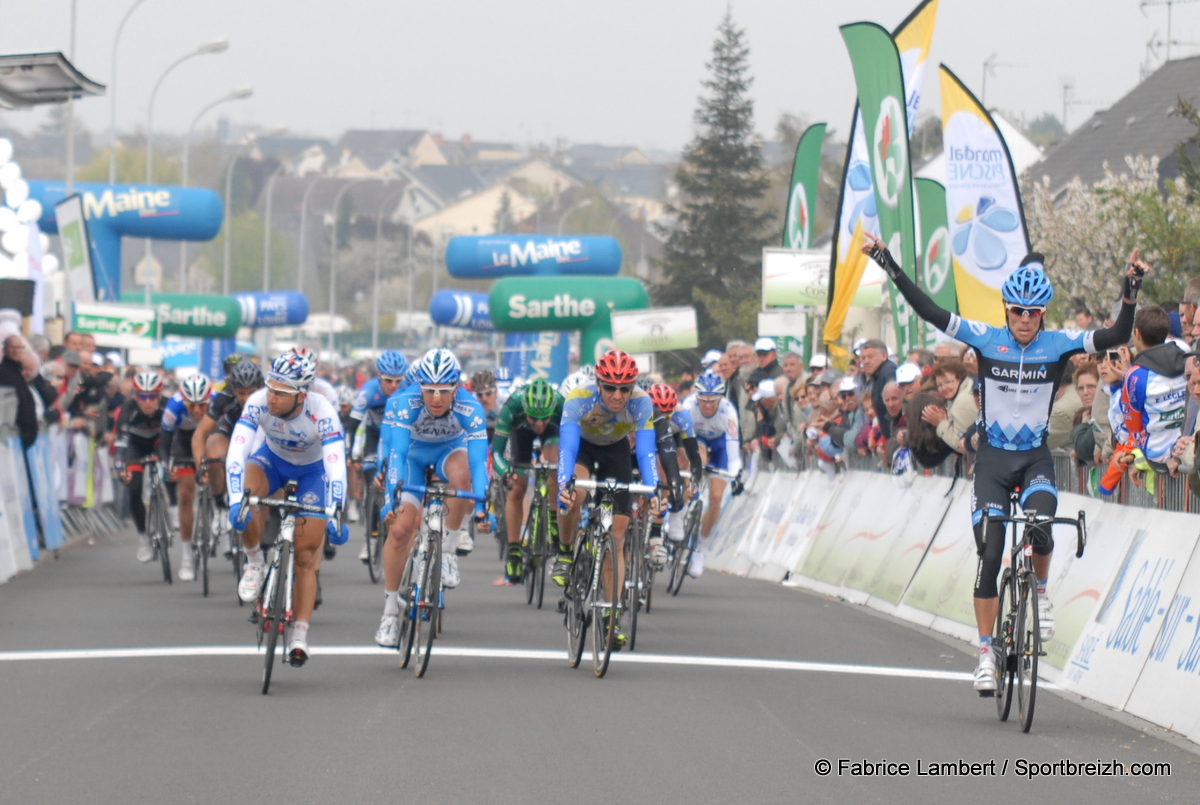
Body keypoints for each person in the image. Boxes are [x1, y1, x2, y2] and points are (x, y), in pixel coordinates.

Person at [862, 232, 1139, 695]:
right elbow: (929, 310)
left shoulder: (1057, 344)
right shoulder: (986, 340)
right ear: (1006, 310)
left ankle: (1042, 595)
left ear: (1042, 313)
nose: (1025, 320)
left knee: (1043, 524)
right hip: (991, 461)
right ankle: (986, 652)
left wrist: (1129, 293)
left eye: (1033, 313)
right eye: (1017, 311)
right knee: (990, 555)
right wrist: (887, 262)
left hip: (1034, 459)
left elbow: (1116, 335)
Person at [227, 351, 347, 667]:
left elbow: (336, 464)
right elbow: (237, 450)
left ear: (302, 395)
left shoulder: (322, 412)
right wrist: (235, 499)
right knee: (247, 502)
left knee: (307, 555)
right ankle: (255, 562)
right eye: (270, 388)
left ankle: (300, 635)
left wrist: (336, 509)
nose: (272, 398)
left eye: (281, 393)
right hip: (272, 461)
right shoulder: (257, 401)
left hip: (313, 473)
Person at [373, 349, 491, 648]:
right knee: (400, 532)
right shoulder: (403, 403)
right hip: (412, 456)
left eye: (443, 391)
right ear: (419, 387)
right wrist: (391, 498)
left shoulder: (470, 407)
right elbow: (396, 454)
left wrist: (482, 505)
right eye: (429, 391)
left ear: (456, 388)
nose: (436, 398)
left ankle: (449, 549)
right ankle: (389, 611)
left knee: (462, 474)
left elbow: (478, 463)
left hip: (449, 453)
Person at [556, 350, 662, 647]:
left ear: (633, 387)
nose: (617, 395)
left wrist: (652, 489)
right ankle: (565, 552)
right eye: (610, 387)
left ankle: (610, 616)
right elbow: (566, 448)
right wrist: (564, 485)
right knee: (574, 495)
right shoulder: (579, 397)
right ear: (598, 384)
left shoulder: (641, 402)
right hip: (583, 449)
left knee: (616, 537)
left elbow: (645, 451)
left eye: (624, 388)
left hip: (616, 452)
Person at [490, 378, 563, 586]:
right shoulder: (512, 407)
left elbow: (574, 444)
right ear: (525, 411)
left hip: (553, 434)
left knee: (554, 465)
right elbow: (496, 451)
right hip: (521, 433)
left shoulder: (560, 404)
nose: (539, 424)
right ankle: (513, 553)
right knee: (516, 489)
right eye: (534, 418)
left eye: (543, 419)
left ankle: (552, 519)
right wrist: (506, 473)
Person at [680, 371, 742, 578]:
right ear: (696, 397)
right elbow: (681, 442)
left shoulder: (728, 412)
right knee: (699, 460)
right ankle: (680, 511)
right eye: (703, 400)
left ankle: (701, 548)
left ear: (721, 398)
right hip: (696, 441)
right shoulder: (688, 407)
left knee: (716, 497)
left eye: (712, 401)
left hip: (721, 445)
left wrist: (736, 472)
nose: (707, 405)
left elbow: (733, 450)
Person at [348, 351, 408, 555]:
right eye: (388, 380)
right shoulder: (368, 391)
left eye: (398, 381)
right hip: (374, 438)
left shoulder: (407, 391)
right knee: (371, 476)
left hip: (398, 438)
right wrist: (351, 453)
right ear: (379, 376)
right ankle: (372, 537)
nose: (393, 385)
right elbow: (352, 425)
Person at [1122, 305, 1188, 472]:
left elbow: (1133, 425)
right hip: (1185, 446)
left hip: (1157, 453)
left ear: (1137, 333)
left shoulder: (1135, 375)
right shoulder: (1185, 353)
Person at [161, 374, 213, 582]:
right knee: (185, 493)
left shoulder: (219, 403)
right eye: (191, 405)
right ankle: (187, 555)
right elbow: (164, 446)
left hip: (211, 439)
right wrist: (168, 465)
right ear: (184, 401)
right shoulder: (173, 408)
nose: (198, 410)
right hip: (183, 444)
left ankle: (221, 510)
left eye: (202, 405)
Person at [114, 371, 166, 563]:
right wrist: (121, 469)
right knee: (133, 487)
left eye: (152, 397)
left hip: (160, 444)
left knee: (172, 471)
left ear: (160, 396)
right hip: (135, 448)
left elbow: (177, 440)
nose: (147, 402)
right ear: (135, 396)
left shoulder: (168, 408)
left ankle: (174, 508)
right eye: (143, 396)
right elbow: (120, 446)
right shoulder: (127, 411)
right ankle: (143, 536)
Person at [0, 334, 38, 449]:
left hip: (21, 437)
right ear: (5, 349)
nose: (15, 351)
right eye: (12, 347)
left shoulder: (18, 373)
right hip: (12, 436)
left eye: (18, 347)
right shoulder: (4, 373)